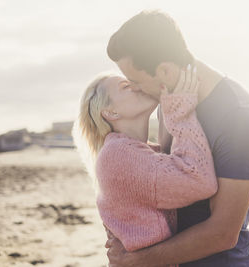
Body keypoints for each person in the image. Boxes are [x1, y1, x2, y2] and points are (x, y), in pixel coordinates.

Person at [105, 10, 249, 267]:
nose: (134, 88)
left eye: (135, 81)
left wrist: (137, 260)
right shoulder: (170, 101)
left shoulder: (238, 118)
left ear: (166, 71)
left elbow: (223, 233)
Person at [72, 68, 218, 266]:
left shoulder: (133, 152)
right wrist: (180, 111)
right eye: (126, 86)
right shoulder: (120, 154)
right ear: (111, 112)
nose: (136, 85)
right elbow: (200, 181)